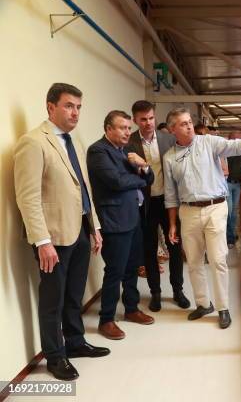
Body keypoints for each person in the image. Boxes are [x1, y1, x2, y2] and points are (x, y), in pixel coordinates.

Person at [14, 83, 109, 380]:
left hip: (79, 230)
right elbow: (27, 197)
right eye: (69, 105)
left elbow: (82, 187)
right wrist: (42, 241)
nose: (75, 112)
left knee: (74, 293)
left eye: (79, 107)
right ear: (50, 106)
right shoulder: (33, 142)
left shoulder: (72, 141)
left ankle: (76, 342)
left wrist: (94, 225)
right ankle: (55, 356)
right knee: (52, 299)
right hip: (52, 237)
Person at [163, 107, 241, 329]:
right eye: (183, 124)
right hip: (188, 212)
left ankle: (223, 307)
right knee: (195, 261)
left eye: (189, 122)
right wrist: (172, 224)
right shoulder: (170, 158)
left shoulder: (208, 142)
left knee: (218, 260)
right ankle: (202, 304)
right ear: (172, 129)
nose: (189, 126)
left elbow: (236, 146)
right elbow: (170, 195)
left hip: (216, 207)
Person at [87, 110, 155, 340]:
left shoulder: (127, 151)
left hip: (133, 217)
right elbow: (116, 182)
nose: (128, 132)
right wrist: (140, 176)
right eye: (122, 128)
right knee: (114, 271)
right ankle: (106, 320)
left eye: (128, 128)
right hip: (114, 221)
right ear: (108, 129)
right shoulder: (98, 151)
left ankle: (131, 309)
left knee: (132, 267)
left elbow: (150, 179)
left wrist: (143, 166)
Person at [126, 100, 189, 312]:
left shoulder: (169, 139)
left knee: (174, 247)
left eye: (151, 118)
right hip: (144, 205)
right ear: (135, 120)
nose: (148, 123)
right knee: (149, 249)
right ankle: (155, 292)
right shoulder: (129, 142)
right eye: (143, 119)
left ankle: (178, 290)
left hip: (169, 201)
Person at [226, 131, 241, 246]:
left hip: (237, 184)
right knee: (228, 212)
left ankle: (231, 235)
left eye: (238, 139)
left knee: (234, 213)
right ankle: (230, 238)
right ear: (228, 139)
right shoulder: (224, 150)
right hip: (226, 184)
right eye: (234, 139)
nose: (236, 141)